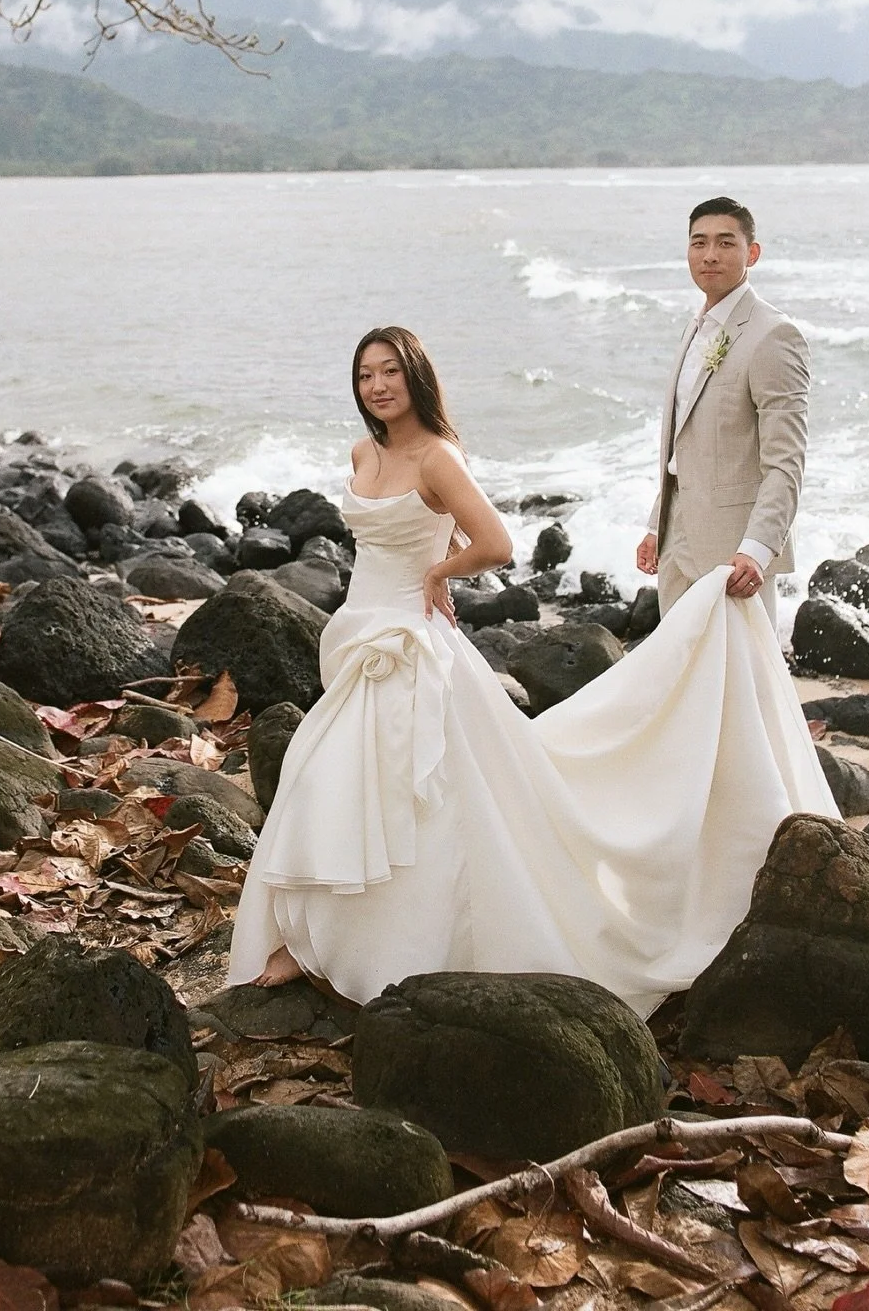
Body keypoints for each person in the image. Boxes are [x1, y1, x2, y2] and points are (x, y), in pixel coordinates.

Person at [227, 324, 836, 1016]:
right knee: (334, 778)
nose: (378, 385)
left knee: (413, 796)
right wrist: (438, 548)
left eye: (391, 371)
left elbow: (495, 541)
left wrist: (442, 570)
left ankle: (395, 953)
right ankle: (320, 942)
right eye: (366, 374)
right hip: (360, 624)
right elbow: (423, 527)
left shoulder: (436, 456)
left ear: (415, 376)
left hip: (410, 642)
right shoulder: (363, 451)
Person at [637, 196, 809, 627]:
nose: (710, 254)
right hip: (677, 545)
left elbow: (785, 462)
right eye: (699, 243)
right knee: (682, 677)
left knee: (737, 685)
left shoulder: (774, 335)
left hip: (734, 557)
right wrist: (658, 525)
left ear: (752, 253)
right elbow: (686, 442)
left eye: (725, 243)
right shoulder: (694, 328)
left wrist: (757, 548)